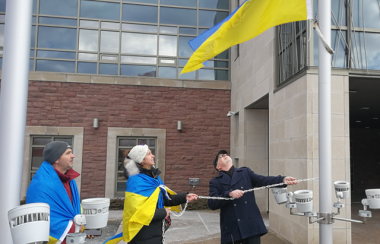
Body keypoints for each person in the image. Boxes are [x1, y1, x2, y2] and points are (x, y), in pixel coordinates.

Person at [105, 144, 197, 244]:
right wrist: (163, 213)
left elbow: (165, 198)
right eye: (149, 154)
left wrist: (185, 197)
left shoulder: (154, 178)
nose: (153, 156)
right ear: (142, 160)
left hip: (155, 230)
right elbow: (137, 213)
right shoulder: (135, 181)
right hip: (142, 233)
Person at [208, 150, 298, 244]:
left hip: (250, 226)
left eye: (225, 154)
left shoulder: (245, 172)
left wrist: (282, 180)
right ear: (218, 167)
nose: (225, 155)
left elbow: (263, 180)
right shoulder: (215, 182)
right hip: (232, 229)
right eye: (221, 156)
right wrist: (229, 194)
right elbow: (212, 203)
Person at [26, 141, 83, 244]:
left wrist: (82, 225)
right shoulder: (42, 184)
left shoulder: (69, 180)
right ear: (56, 159)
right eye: (68, 153)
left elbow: (74, 208)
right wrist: (75, 226)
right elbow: (42, 218)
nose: (73, 156)